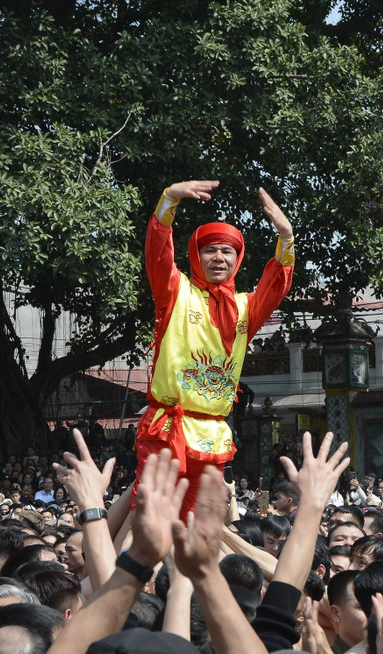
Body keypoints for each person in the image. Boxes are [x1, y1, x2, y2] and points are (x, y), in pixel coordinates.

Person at [133, 180, 294, 517]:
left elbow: (276, 284)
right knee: (151, 521)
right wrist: (169, 200)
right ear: (196, 254)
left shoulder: (246, 308)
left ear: (238, 259)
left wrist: (286, 238)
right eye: (210, 249)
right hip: (167, 430)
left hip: (212, 437)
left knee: (200, 528)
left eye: (227, 251)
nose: (219, 257)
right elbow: (157, 253)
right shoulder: (176, 291)